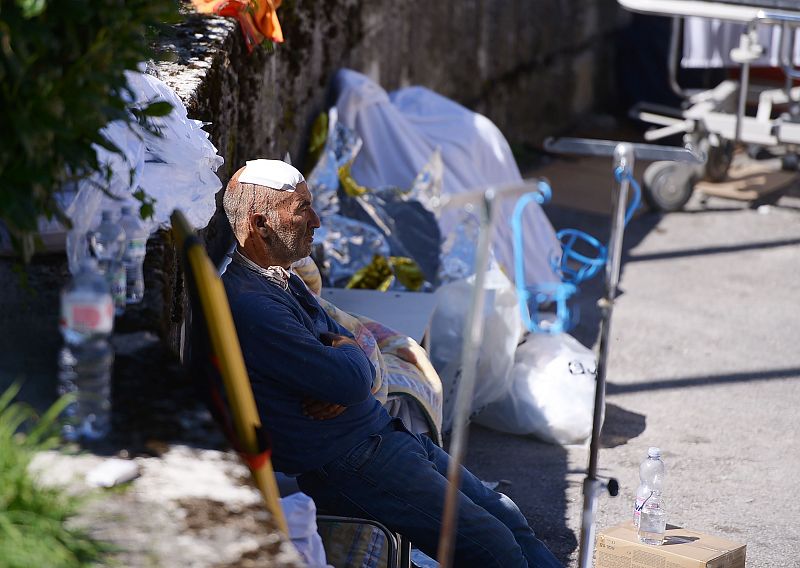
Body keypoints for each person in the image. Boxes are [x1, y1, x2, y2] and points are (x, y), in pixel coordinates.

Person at [221, 158, 562, 568]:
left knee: (507, 515)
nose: (317, 220)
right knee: (494, 548)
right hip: (350, 458)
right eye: (301, 210)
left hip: (379, 435)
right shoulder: (254, 304)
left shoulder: (282, 278)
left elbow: (347, 350)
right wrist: (346, 366)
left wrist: (344, 361)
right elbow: (349, 375)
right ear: (260, 225)